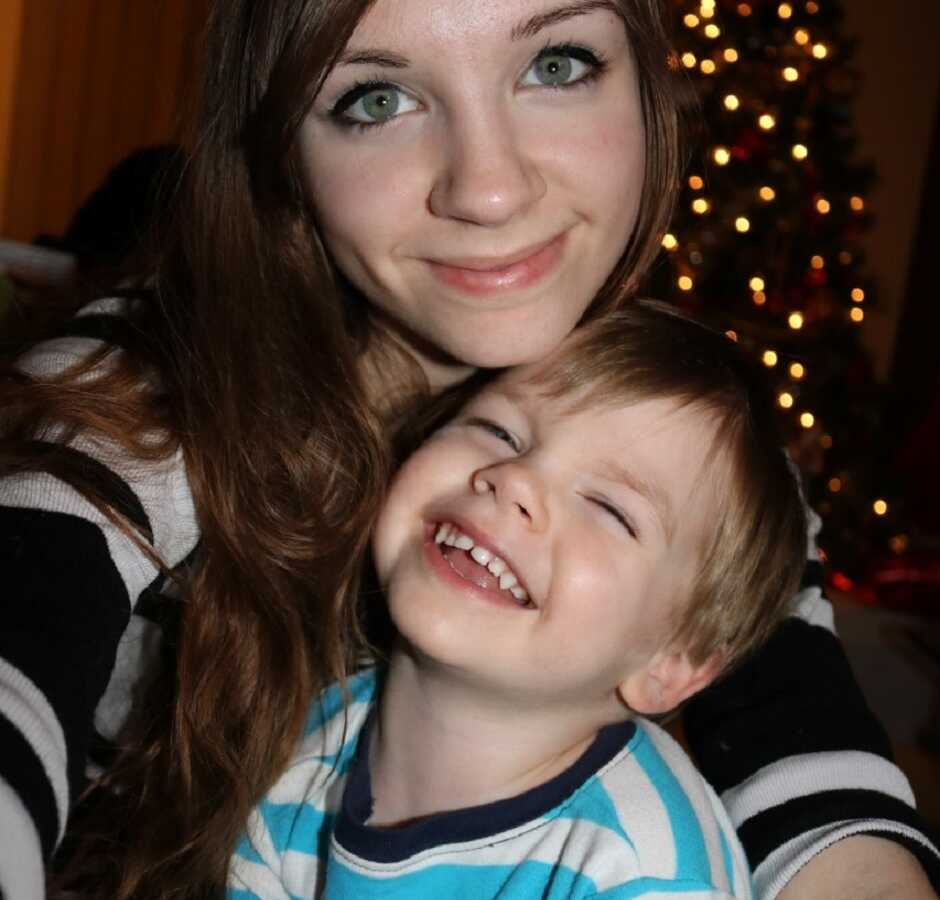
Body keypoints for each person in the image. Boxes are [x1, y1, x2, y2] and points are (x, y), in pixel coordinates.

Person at [0, 1, 936, 898]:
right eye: (376, 99)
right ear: (282, 152)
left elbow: (815, 787)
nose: (488, 191)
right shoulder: (130, 393)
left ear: (651, 88)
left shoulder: (699, 461)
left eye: (556, 63)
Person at [229, 300, 808, 900]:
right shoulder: (307, 737)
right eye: (498, 432)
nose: (516, 478)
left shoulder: (646, 875)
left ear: (670, 663)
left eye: (610, 508)